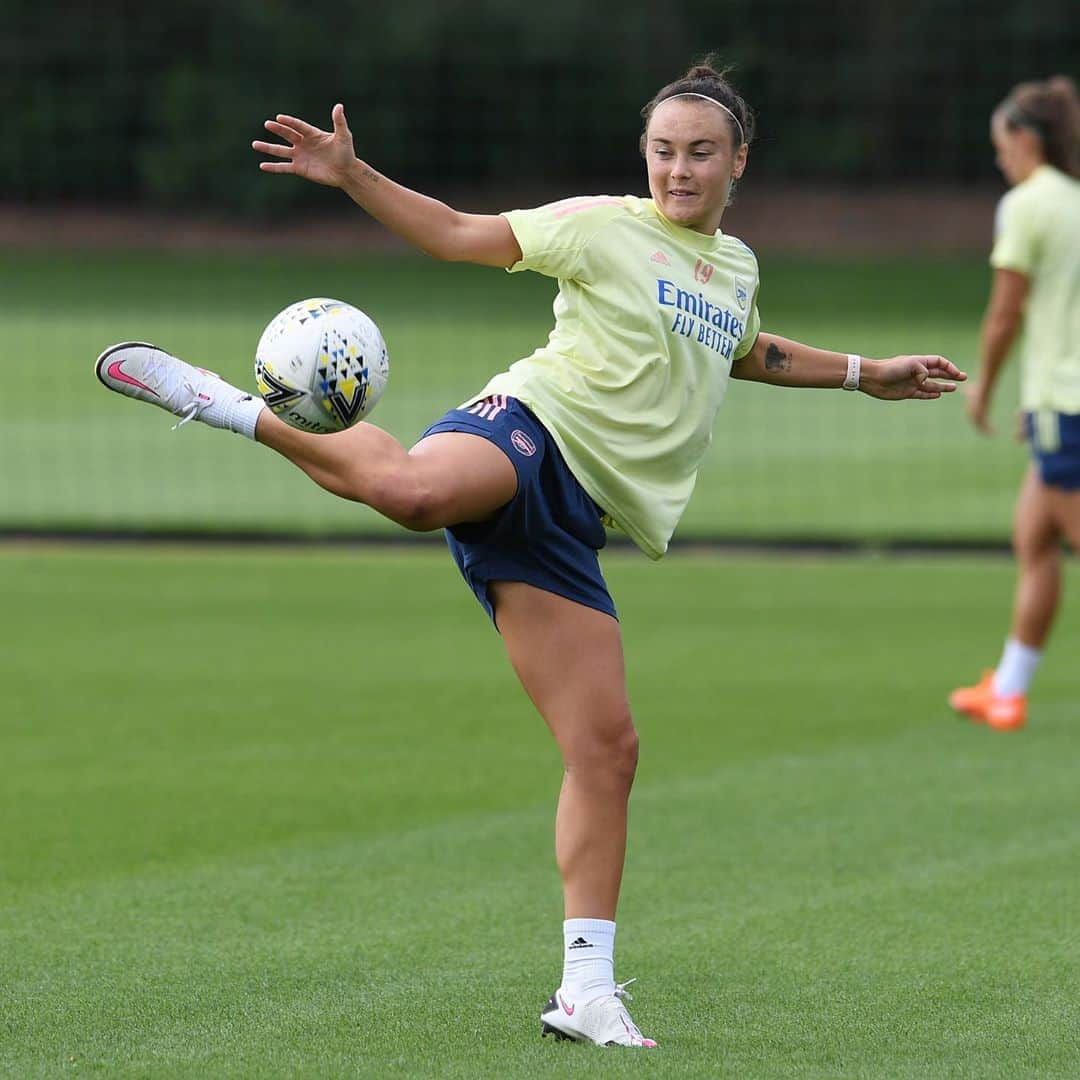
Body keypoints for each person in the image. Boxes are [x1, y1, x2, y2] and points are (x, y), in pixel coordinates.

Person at [94, 61, 963, 1047]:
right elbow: (461, 236)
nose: (679, 170)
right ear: (645, 157)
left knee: (608, 750)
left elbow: (748, 348)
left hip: (573, 520)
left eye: (700, 153)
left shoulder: (739, 270)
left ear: (738, 162)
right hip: (528, 429)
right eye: (664, 151)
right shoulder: (602, 225)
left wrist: (864, 374)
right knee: (415, 492)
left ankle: (585, 991)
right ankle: (229, 406)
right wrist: (355, 175)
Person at [949, 77, 1080, 733]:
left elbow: (1005, 314)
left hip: (1067, 404)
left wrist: (983, 387)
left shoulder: (1028, 204)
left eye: (1002, 144)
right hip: (1060, 402)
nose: (999, 157)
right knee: (1034, 535)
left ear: (1025, 139)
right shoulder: (1076, 202)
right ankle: (1009, 688)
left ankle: (1008, 691)